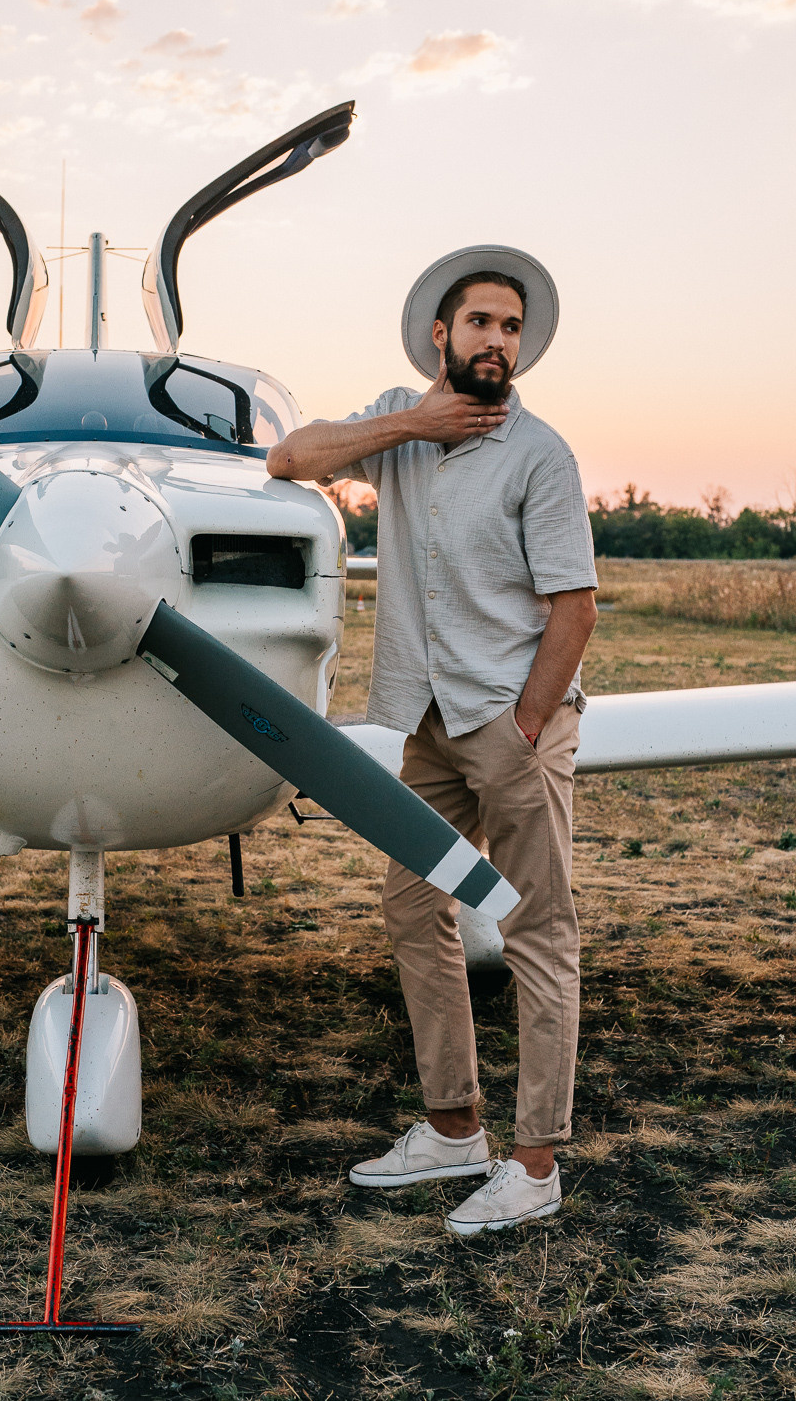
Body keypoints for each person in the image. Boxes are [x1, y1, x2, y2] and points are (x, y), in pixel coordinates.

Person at [266, 246, 598, 1236]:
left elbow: (573, 609)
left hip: (509, 724)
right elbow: (289, 459)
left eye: (511, 327)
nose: (498, 340)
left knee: (537, 931)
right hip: (425, 723)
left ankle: (533, 1165)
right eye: (482, 323)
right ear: (440, 336)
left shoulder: (541, 455)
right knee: (414, 907)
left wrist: (529, 724)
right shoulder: (396, 428)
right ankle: (453, 1130)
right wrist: (412, 421)